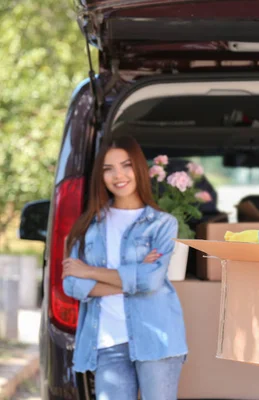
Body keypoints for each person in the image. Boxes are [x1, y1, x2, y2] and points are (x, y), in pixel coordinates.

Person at [61, 135, 187, 400]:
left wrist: (90, 271)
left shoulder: (162, 224)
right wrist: (133, 276)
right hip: (107, 341)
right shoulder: (89, 227)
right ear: (101, 176)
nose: (118, 175)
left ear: (139, 168)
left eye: (126, 165)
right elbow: (72, 284)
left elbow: (151, 282)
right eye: (108, 169)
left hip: (157, 340)